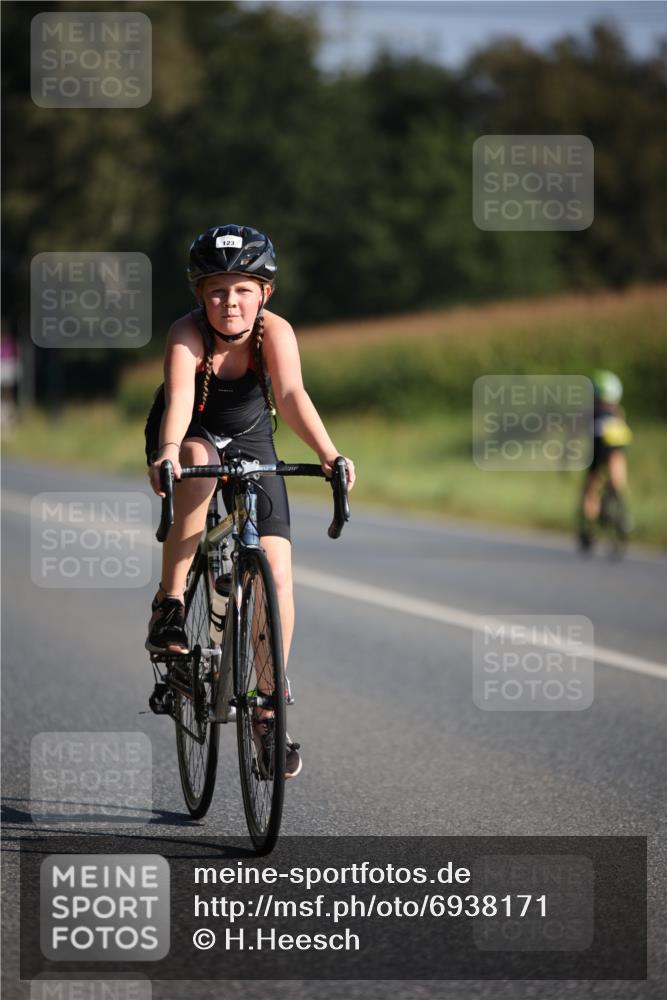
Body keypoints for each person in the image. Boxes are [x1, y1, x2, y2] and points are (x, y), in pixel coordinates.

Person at [144, 224, 355, 777]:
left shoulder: (275, 332)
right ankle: (170, 605)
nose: (229, 302)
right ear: (199, 295)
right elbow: (181, 399)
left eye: (242, 290)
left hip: (253, 438)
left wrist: (331, 455)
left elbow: (290, 395)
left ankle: (266, 709)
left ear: (265, 293)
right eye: (216, 291)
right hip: (188, 430)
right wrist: (167, 453)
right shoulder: (187, 334)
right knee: (196, 467)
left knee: (277, 578)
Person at [578, 369, 632, 552]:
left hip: (596, 449)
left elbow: (576, 434)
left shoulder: (589, 411)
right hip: (615, 449)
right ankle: (621, 504)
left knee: (591, 487)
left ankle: (590, 527)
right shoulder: (618, 411)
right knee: (617, 468)